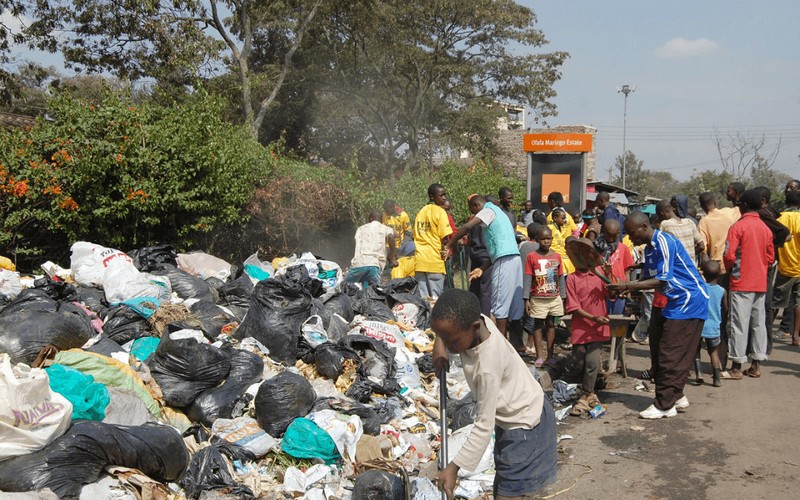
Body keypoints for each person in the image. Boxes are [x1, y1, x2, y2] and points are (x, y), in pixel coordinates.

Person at [431, 289, 557, 500]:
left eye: (453, 341)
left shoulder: (488, 365)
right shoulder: (479, 322)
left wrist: (453, 468)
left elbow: (483, 426)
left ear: (474, 328)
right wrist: (440, 345)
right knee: (504, 485)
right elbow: (447, 327)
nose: (451, 348)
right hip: (511, 415)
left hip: (525, 424)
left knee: (509, 493)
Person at [609, 212, 709, 419]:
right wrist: (628, 288)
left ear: (644, 226)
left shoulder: (663, 241)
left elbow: (662, 280)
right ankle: (677, 395)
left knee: (670, 352)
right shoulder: (650, 249)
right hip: (673, 301)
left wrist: (628, 284)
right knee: (660, 347)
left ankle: (664, 405)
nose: (629, 238)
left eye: (631, 232)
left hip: (688, 299)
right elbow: (649, 275)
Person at [443, 195, 525, 350]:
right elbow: (500, 249)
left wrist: (449, 245)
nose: (473, 214)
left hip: (505, 262)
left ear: (476, 205)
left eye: (472, 210)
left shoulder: (488, 210)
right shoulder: (501, 213)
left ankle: (498, 347)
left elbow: (467, 227)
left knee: (499, 308)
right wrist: (482, 268)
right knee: (514, 307)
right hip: (513, 259)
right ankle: (517, 345)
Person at [722, 189, 775, 379]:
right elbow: (770, 257)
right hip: (760, 282)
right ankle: (756, 365)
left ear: (743, 206)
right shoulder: (765, 228)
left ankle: (736, 367)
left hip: (741, 281)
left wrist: (729, 269)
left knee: (738, 324)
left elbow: (729, 255)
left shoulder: (737, 227)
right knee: (758, 323)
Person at [565, 243, 610, 416]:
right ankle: (590, 391)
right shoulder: (571, 279)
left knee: (591, 363)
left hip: (598, 327)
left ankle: (586, 394)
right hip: (581, 327)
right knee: (579, 362)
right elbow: (574, 306)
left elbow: (613, 294)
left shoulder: (599, 276)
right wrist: (593, 318)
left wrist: (607, 274)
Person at [523, 226, 564, 367]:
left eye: (548, 238)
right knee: (538, 325)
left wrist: (563, 296)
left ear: (552, 239)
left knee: (552, 324)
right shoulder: (531, 257)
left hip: (554, 297)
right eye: (543, 239)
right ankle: (539, 356)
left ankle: (550, 356)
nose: (546, 241)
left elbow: (561, 277)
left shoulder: (557, 256)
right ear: (537, 240)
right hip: (538, 297)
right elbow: (528, 278)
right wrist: (526, 299)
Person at [413, 183, 453, 298]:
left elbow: (415, 234)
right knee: (435, 299)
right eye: (441, 195)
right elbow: (445, 237)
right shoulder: (440, 212)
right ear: (432, 196)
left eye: (445, 195)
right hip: (434, 260)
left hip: (420, 261)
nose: (444, 198)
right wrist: (447, 250)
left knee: (424, 299)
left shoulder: (421, 212)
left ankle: (426, 316)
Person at [774, 189, 800, 345]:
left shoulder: (779, 219)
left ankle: (766, 333)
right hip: (799, 268)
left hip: (784, 267)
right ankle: (795, 337)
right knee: (798, 302)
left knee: (775, 303)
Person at [345, 211, 397, 287]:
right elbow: (391, 237)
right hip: (374, 265)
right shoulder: (386, 228)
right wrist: (392, 255)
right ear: (382, 220)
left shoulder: (360, 229)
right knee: (372, 293)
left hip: (358, 263)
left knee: (344, 288)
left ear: (370, 219)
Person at [695, 260, 725, 387]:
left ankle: (698, 374)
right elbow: (726, 308)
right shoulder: (722, 291)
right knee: (713, 352)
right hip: (713, 326)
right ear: (719, 274)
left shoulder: (700, 287)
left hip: (699, 324)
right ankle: (716, 379)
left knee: (696, 350)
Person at [595, 219, 634, 314]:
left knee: (616, 322)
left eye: (615, 235)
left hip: (619, 293)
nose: (612, 238)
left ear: (619, 233)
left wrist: (628, 296)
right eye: (609, 234)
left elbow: (627, 273)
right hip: (598, 293)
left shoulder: (623, 249)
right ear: (603, 232)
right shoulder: (595, 248)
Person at [466, 194, 493, 317]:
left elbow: (469, 239)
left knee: (475, 287)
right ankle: (484, 318)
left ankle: (473, 314)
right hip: (486, 257)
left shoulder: (474, 219)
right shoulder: (489, 219)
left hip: (475, 254)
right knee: (485, 290)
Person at [697, 192, 737, 272]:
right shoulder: (728, 213)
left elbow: (703, 248)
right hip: (733, 262)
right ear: (715, 202)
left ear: (702, 206)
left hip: (717, 266)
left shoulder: (703, 222)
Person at [657, 199, 704, 265]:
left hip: (678, 269)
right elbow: (701, 246)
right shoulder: (689, 222)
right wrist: (688, 255)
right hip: (692, 268)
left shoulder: (665, 225)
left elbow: (663, 249)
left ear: (661, 213)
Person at [548, 207, 575, 274]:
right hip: (555, 261)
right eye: (563, 218)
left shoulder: (562, 229)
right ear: (555, 218)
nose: (565, 220)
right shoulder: (550, 229)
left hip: (565, 260)